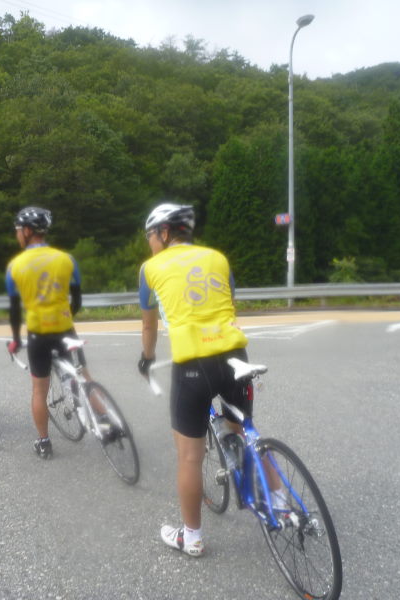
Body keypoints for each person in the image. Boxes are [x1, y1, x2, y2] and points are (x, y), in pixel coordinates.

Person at [137, 202, 252, 557]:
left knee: (189, 456)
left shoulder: (150, 269)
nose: (149, 243)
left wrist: (148, 357)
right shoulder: (217, 257)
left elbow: (148, 323)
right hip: (236, 356)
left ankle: (192, 537)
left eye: (150, 236)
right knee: (244, 432)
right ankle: (272, 496)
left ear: (165, 233)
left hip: (192, 365)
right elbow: (229, 302)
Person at [5, 206, 85, 459]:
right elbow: (77, 300)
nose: (17, 235)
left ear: (27, 231)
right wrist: (65, 317)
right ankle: (106, 423)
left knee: (39, 390)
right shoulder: (66, 259)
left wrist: (17, 340)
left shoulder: (15, 266)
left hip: (38, 333)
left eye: (18, 230)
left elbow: (15, 311)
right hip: (65, 328)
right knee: (85, 377)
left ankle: (44, 441)